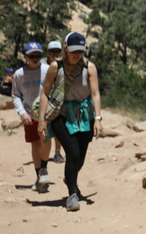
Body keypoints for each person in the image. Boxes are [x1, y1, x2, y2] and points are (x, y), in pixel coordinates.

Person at [37, 32, 103, 212]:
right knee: (72, 152)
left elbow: (95, 94)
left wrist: (97, 119)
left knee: (80, 156)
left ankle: (70, 177)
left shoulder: (90, 68)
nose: (77, 55)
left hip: (84, 116)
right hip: (61, 115)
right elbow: (44, 93)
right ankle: (72, 194)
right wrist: (41, 120)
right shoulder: (54, 67)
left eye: (80, 51)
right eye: (73, 51)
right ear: (65, 49)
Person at [11, 42, 53, 192]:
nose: (35, 58)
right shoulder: (19, 74)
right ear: (25, 57)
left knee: (46, 139)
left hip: (46, 113)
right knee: (35, 144)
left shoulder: (48, 70)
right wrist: (22, 112)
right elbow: (15, 95)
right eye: (32, 56)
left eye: (38, 55)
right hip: (29, 113)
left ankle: (44, 168)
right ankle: (39, 176)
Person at [43, 40, 66, 164]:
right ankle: (43, 155)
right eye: (53, 51)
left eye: (58, 51)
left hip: (58, 100)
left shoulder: (63, 65)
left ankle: (57, 152)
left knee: (59, 127)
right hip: (45, 98)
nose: (55, 54)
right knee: (45, 127)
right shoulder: (41, 64)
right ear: (48, 51)